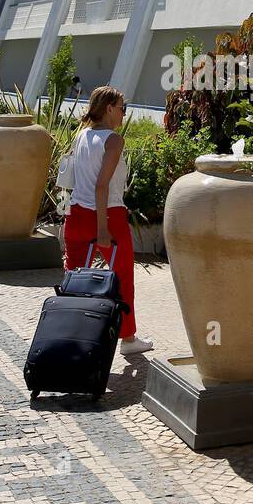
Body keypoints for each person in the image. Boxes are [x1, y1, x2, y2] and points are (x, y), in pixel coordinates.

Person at [63, 86, 153, 355]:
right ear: (110, 109)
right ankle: (128, 339)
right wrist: (102, 229)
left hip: (76, 215)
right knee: (122, 277)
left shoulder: (81, 135)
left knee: (72, 277)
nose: (125, 114)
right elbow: (101, 186)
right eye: (122, 108)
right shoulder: (113, 140)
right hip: (107, 216)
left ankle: (68, 332)